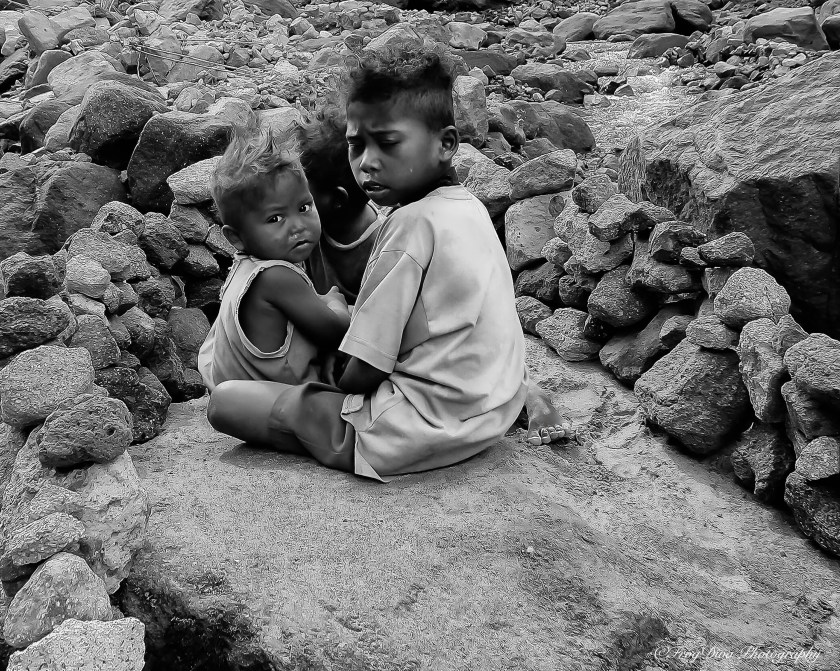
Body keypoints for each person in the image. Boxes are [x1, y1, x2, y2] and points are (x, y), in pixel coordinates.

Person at [207, 48, 571, 481]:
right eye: (356, 145)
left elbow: (366, 369)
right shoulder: (469, 206)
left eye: (388, 143)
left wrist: (337, 385)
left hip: (414, 430)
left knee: (226, 402)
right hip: (491, 406)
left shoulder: (406, 228)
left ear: (446, 144)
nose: (367, 162)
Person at [196, 126, 351, 392]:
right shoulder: (275, 277)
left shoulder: (244, 267)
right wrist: (335, 303)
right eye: (275, 218)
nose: (297, 226)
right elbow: (336, 331)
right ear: (236, 237)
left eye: (304, 207)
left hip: (243, 394)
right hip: (280, 402)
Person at [299, 107, 386, 305]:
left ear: (337, 199)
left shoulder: (381, 247)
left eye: (304, 193)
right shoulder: (312, 224)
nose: (294, 196)